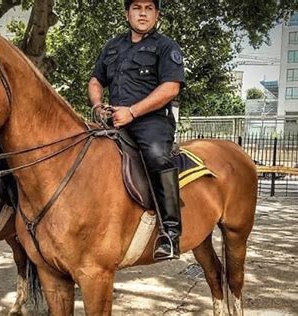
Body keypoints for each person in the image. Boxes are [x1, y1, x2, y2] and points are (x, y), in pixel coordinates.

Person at [88, 0, 185, 261]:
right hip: (113, 120)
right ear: (127, 13)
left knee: (156, 156)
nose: (143, 13)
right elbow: (96, 80)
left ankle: (171, 233)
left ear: (157, 14)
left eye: (149, 8)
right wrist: (98, 105)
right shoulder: (112, 46)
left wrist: (132, 111)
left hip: (150, 121)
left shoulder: (166, 47)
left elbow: (171, 88)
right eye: (137, 8)